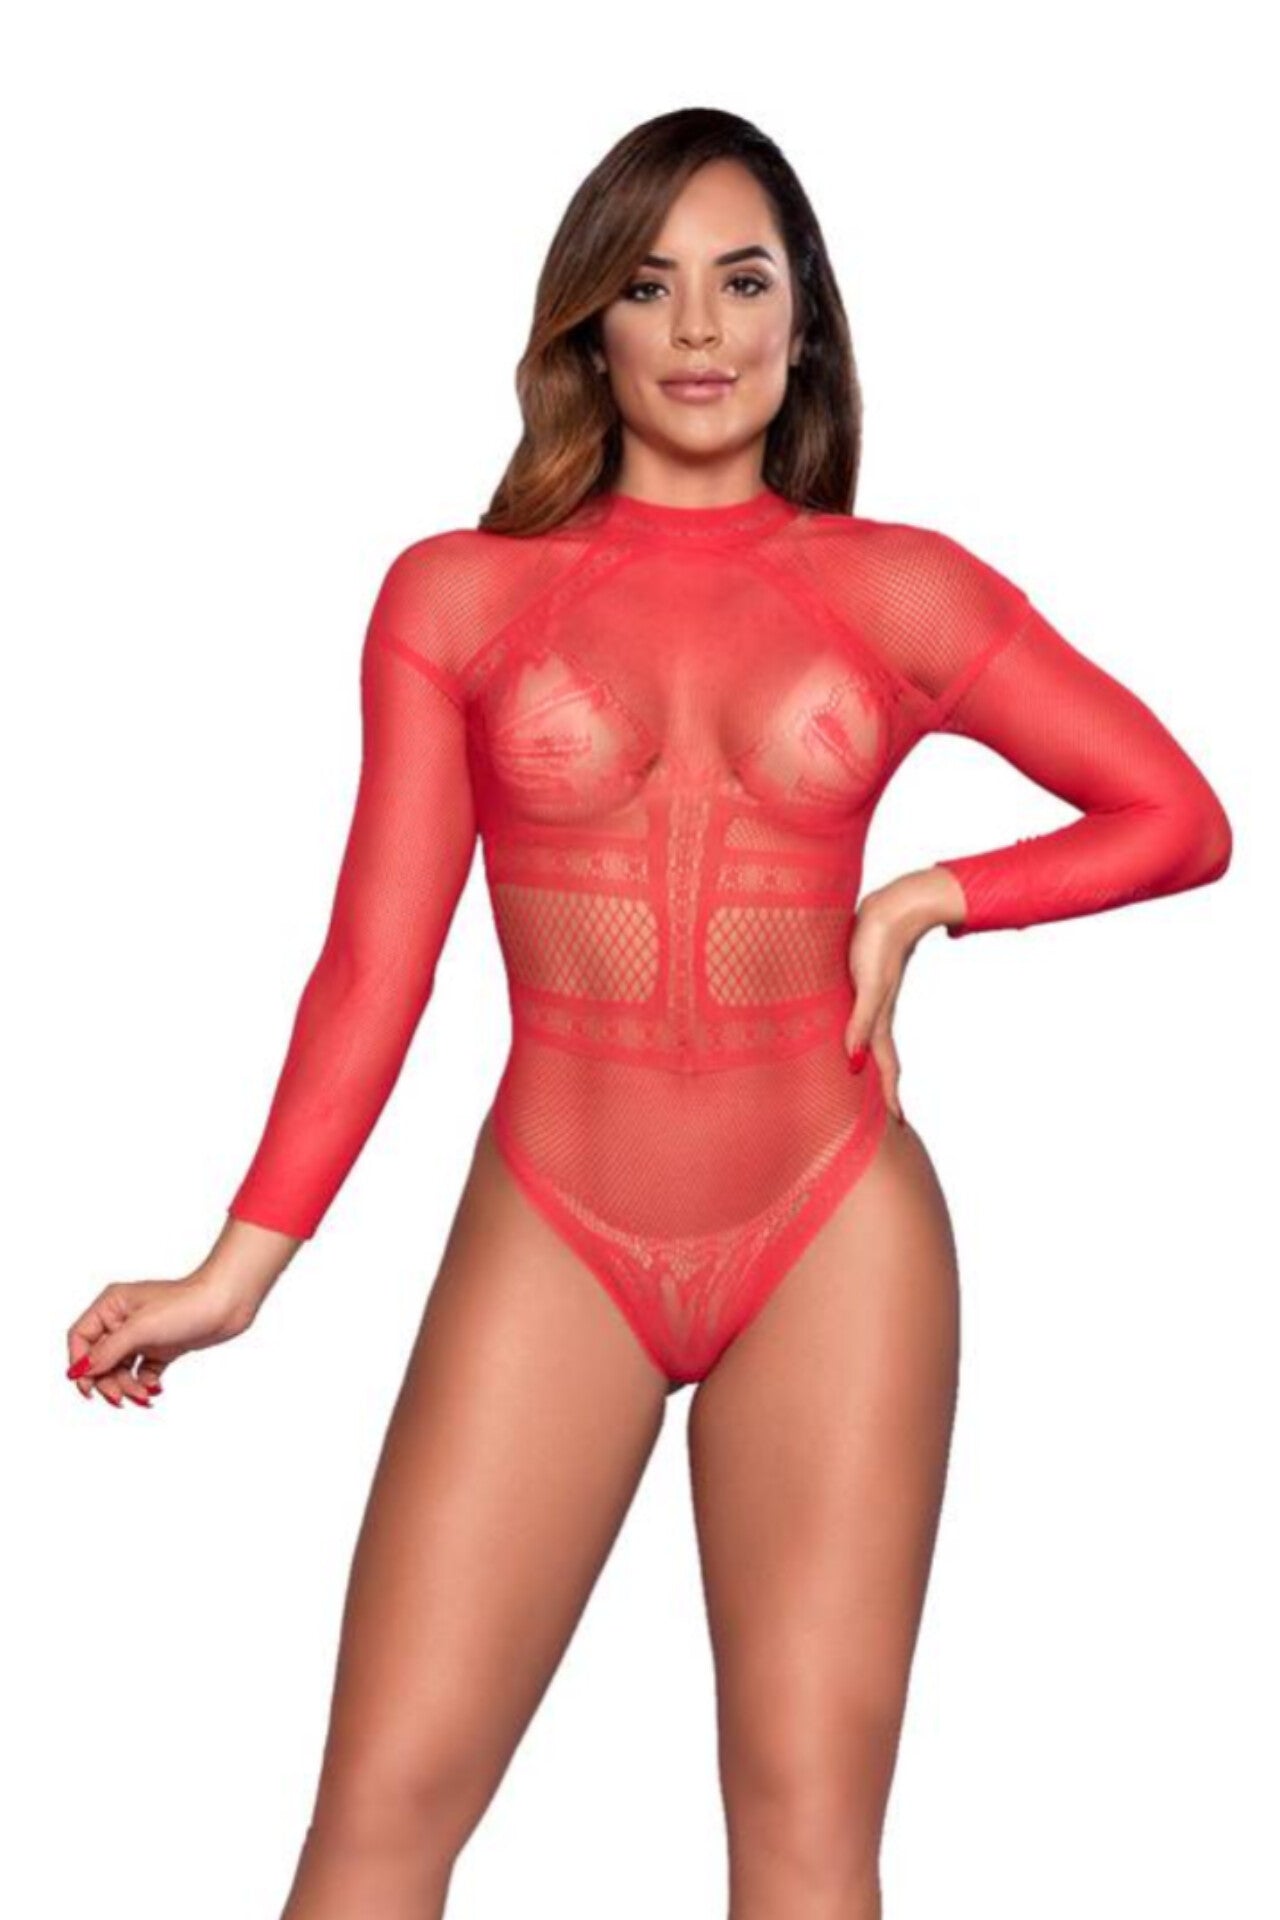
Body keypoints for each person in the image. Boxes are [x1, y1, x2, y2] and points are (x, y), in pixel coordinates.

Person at [64, 107, 1232, 1920]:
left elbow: (1180, 816)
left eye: (743, 283)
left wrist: (930, 896)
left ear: (804, 323)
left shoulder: (901, 588)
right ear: (586, 328)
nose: (699, 328)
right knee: (379, 1826)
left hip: (834, 1222)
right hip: (560, 1216)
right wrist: (240, 1271)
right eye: (648, 284)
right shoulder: (456, 596)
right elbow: (376, 960)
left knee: (806, 1842)